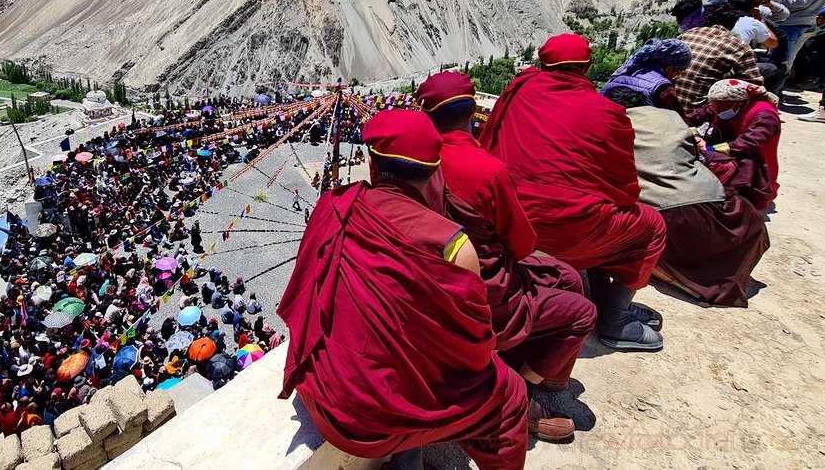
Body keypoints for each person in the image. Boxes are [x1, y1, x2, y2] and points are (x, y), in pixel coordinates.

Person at [278, 109, 529, 469]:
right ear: (435, 171)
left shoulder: (333, 206)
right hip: (374, 424)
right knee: (511, 394)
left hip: (320, 395)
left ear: (373, 165)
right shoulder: (454, 247)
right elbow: (473, 351)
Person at [417, 71, 598, 442]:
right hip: (481, 287)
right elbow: (521, 242)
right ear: (472, 114)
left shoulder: (414, 160)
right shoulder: (486, 168)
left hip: (435, 276)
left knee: (566, 277)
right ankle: (525, 392)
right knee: (582, 309)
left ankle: (526, 365)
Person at [481, 33, 666, 351]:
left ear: (541, 64)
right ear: (589, 67)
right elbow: (624, 190)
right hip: (564, 228)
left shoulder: (520, 89)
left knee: (595, 207)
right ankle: (615, 323)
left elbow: (490, 137)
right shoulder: (609, 113)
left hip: (507, 214)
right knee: (651, 227)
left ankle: (604, 303)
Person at [605, 87, 771, 307]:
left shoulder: (606, 124)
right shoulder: (670, 117)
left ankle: (673, 276)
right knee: (747, 219)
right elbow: (695, 154)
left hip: (662, 208)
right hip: (708, 198)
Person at [688, 79, 781, 210]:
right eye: (714, 106)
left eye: (721, 106)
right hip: (723, 155)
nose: (717, 110)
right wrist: (696, 138)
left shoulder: (764, 114)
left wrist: (709, 149)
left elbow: (750, 142)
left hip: (752, 161)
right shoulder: (719, 106)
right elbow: (689, 119)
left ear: (738, 102)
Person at [676, 2, 765, 110]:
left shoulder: (687, 34)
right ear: (733, 23)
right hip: (700, 112)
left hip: (671, 104)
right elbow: (754, 85)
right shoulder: (740, 46)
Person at [602, 38, 692, 115]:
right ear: (669, 68)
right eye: (679, 71)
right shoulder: (664, 89)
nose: (679, 75)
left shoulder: (627, 70)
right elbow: (677, 121)